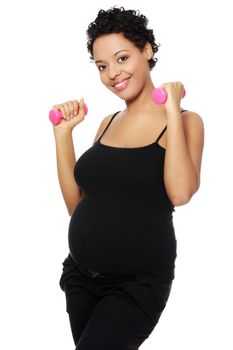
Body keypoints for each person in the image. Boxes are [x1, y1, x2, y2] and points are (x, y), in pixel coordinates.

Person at [52, 6, 204, 350]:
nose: (112, 74)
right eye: (102, 66)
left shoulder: (184, 121)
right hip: (80, 277)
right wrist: (62, 136)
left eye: (122, 58)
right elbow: (78, 206)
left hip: (136, 285)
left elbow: (180, 193)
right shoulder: (107, 123)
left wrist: (170, 110)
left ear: (147, 51)